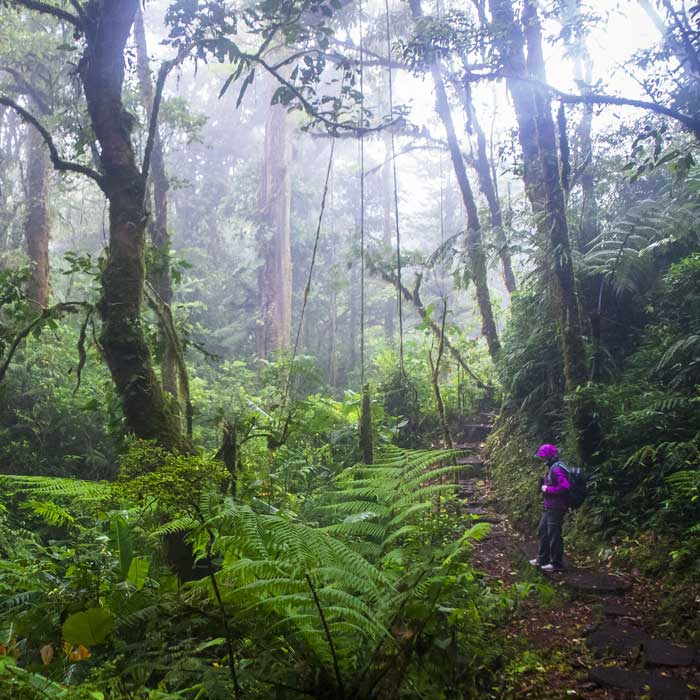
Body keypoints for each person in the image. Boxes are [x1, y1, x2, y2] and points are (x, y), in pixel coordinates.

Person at [529, 443, 570, 572]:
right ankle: (543, 559)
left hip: (557, 507)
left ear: (550, 457)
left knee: (554, 535)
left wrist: (548, 489)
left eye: (544, 458)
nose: (543, 460)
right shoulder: (552, 467)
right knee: (543, 531)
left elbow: (565, 486)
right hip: (549, 506)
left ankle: (557, 564)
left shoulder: (557, 469)